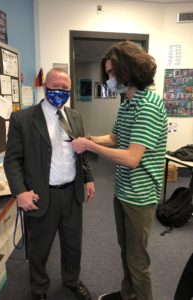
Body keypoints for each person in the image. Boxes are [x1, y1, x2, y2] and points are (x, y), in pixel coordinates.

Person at [71, 41, 168, 300]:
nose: (110, 79)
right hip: (123, 190)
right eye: (109, 74)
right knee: (125, 249)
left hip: (140, 195)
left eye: (113, 73)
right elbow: (114, 139)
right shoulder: (127, 102)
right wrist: (90, 137)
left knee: (137, 260)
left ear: (130, 70)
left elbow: (131, 158)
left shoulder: (147, 106)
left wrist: (90, 146)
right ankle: (128, 294)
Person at [4, 68, 95, 300]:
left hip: (72, 194)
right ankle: (39, 289)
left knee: (73, 244)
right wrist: (20, 192)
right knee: (39, 248)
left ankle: (72, 280)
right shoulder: (23, 119)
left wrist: (88, 178)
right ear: (45, 87)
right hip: (42, 195)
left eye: (65, 88)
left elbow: (80, 153)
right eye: (55, 86)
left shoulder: (74, 116)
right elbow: (12, 160)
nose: (60, 91)